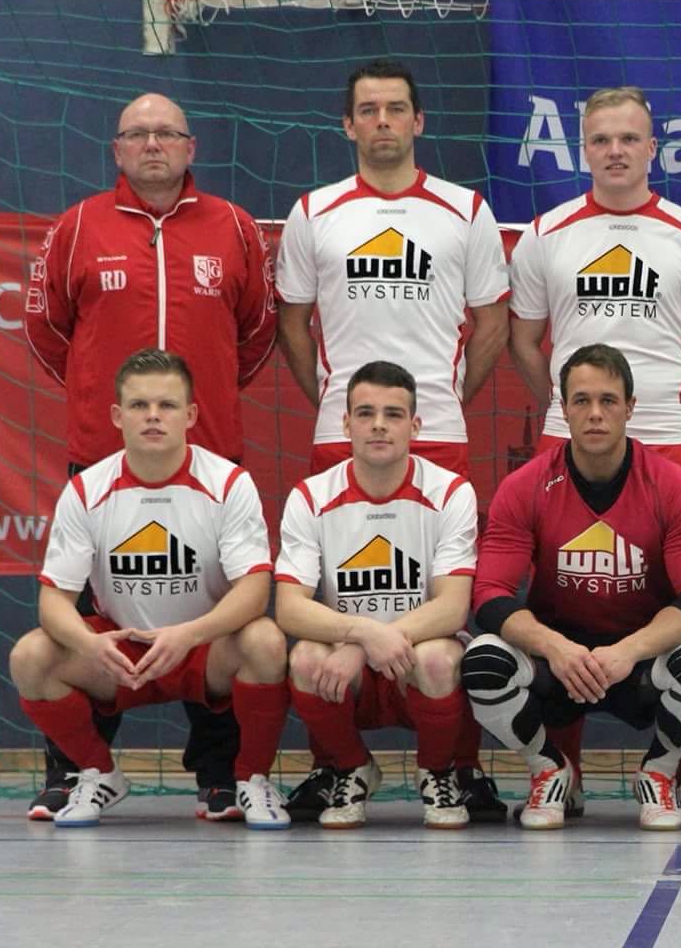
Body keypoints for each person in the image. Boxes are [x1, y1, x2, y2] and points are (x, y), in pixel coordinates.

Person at [22, 92, 276, 823]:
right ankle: (76, 771)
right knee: (79, 619)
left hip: (210, 456)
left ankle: (221, 774)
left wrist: (205, 404)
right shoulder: (77, 226)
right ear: (117, 149)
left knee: (217, 612)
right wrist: (102, 398)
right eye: (138, 134)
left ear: (191, 147)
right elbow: (46, 330)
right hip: (101, 458)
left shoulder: (234, 226)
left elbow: (255, 332)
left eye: (167, 133)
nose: (153, 144)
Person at [275, 58, 508, 820]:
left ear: (419, 120)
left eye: (396, 108)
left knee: (446, 616)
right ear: (348, 125)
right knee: (333, 603)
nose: (383, 121)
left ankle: (456, 769)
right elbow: (292, 323)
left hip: (437, 433)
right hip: (337, 436)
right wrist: (340, 406)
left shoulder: (464, 210)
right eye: (368, 110)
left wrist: (438, 402)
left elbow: (493, 322)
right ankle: (338, 767)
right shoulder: (314, 212)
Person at [505, 84, 681, 817]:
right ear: (583, 148)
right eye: (601, 139)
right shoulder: (547, 233)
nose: (614, 151)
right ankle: (562, 769)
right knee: (565, 592)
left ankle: (679, 768)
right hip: (570, 435)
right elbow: (523, 338)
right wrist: (571, 408)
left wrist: (665, 402)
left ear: (653, 147)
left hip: (665, 432)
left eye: (629, 138)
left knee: (677, 597)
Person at [8, 349, 290, 829]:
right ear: (118, 416)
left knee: (266, 642)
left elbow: (255, 587)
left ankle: (252, 779)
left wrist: (190, 634)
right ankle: (99, 772)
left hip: (202, 648)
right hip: (121, 651)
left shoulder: (228, 483)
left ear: (191, 415)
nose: (153, 416)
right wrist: (89, 644)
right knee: (30, 656)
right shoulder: (86, 489)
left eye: (167, 405)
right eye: (139, 405)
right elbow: (53, 600)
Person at [461, 344, 681, 830]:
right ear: (563, 410)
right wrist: (555, 648)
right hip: (559, 660)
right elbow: (490, 595)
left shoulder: (672, 485)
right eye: (581, 401)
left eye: (608, 400)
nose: (595, 413)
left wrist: (629, 650)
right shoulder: (524, 486)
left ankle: (659, 772)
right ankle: (549, 769)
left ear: (630, 407)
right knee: (482, 658)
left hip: (640, 660)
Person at [275, 361, 480, 830]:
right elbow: (289, 607)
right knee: (304, 658)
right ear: (346, 424)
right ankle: (352, 767)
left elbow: (452, 607)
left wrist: (366, 642)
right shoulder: (310, 496)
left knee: (438, 659)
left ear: (415, 425)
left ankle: (437, 772)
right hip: (348, 672)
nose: (379, 425)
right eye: (365, 414)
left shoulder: (451, 492)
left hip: (417, 664)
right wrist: (362, 636)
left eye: (393, 414)